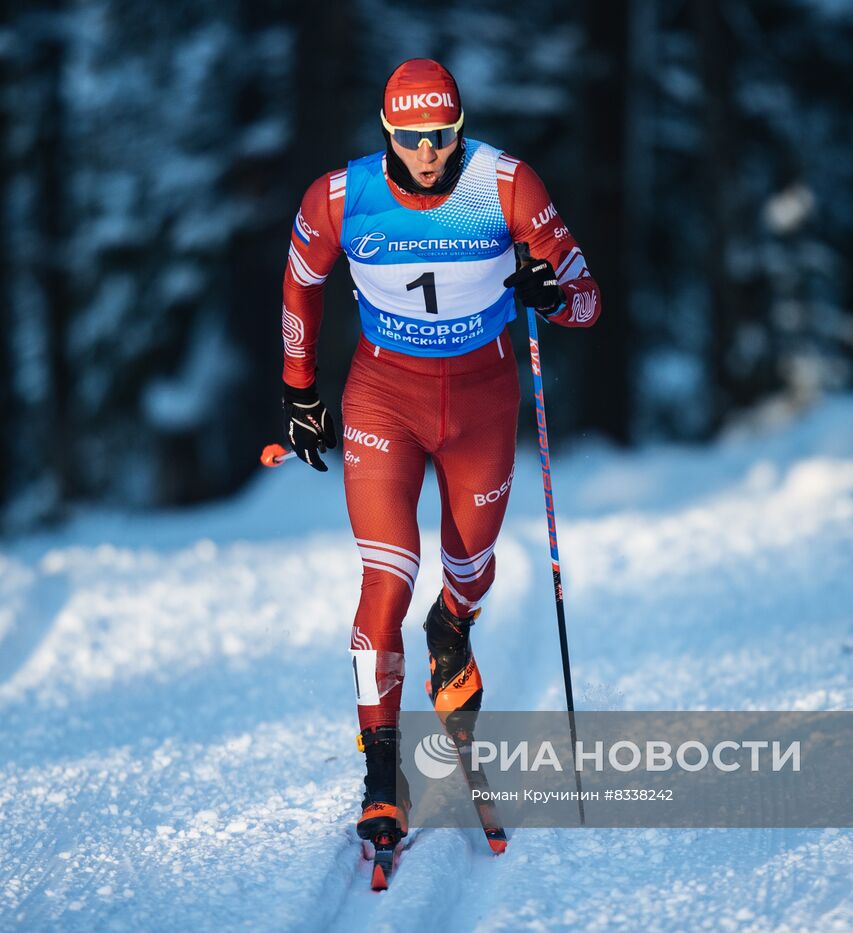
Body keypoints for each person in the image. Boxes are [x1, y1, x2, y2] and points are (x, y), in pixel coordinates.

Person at [279, 58, 601, 849]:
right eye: (413, 137)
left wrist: (550, 295)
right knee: (386, 574)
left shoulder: (506, 185)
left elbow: (588, 299)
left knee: (469, 568)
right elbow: (300, 280)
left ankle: (451, 629)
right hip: (383, 398)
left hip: (483, 404)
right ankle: (381, 777)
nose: (429, 152)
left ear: (461, 128)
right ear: (387, 131)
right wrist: (299, 388)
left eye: (443, 135)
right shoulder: (340, 198)